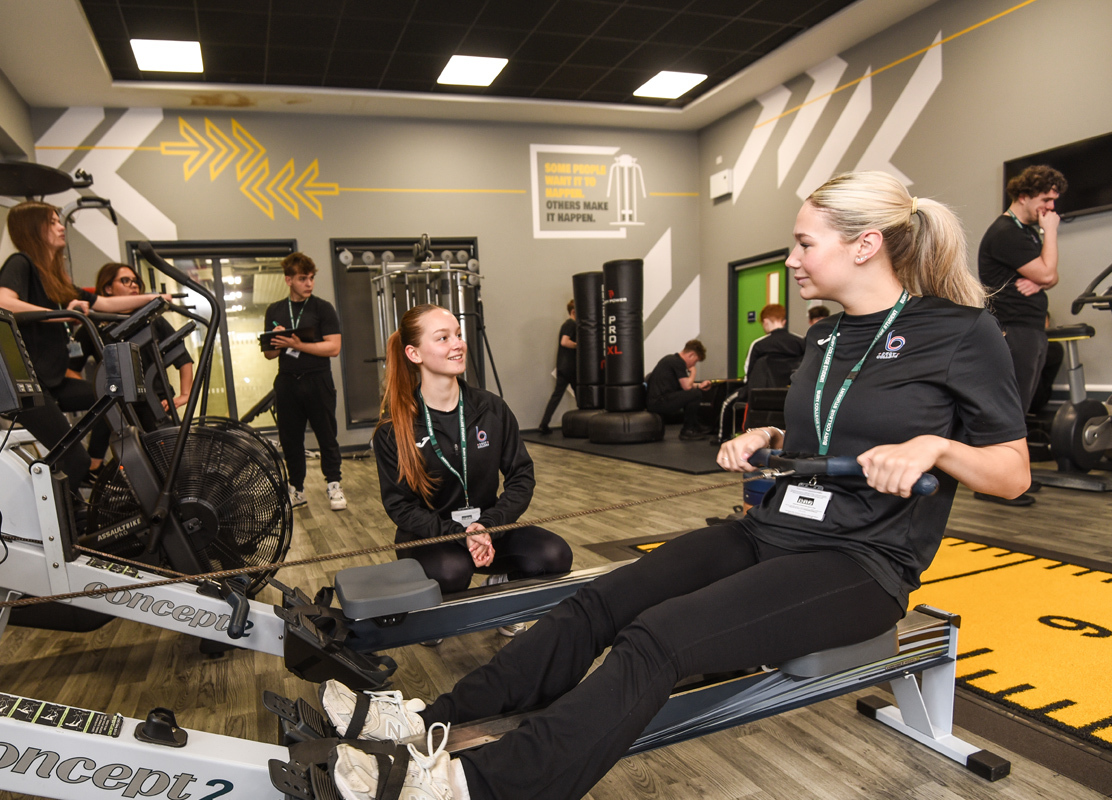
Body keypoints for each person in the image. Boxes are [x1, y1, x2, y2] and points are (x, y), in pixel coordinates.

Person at [317, 171, 1030, 800]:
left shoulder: (962, 333)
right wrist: (771, 439)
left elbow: (1011, 472)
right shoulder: (826, 337)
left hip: (860, 563)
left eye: (805, 244)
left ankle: (475, 784)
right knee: (598, 600)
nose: (792, 258)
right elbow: (825, 439)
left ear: (866, 244)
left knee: (660, 638)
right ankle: (431, 716)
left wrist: (935, 447)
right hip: (770, 531)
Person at [372, 304, 572, 636]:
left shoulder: (491, 408)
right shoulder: (393, 429)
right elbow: (400, 506)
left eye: (459, 335)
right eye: (443, 338)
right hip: (429, 537)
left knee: (554, 554)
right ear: (414, 353)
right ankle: (431, 617)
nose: (458, 344)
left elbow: (521, 475)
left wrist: (488, 527)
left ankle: (504, 591)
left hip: (487, 529)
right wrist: (457, 534)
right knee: (453, 570)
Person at [0, 201, 168, 491]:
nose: (61, 227)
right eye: (52, 222)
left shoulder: (54, 280)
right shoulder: (21, 263)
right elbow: (4, 303)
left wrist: (157, 299)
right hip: (28, 387)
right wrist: (62, 315)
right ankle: (61, 520)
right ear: (33, 229)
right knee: (73, 460)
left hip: (54, 380)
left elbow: (106, 302)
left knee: (112, 395)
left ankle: (96, 465)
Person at [976, 164, 1066, 506]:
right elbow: (1048, 270)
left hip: (1028, 327)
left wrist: (1044, 275)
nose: (1051, 209)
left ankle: (1016, 480)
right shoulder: (1006, 232)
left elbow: (1051, 276)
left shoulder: (1026, 231)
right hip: (1011, 327)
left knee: (1020, 408)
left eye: (1054, 202)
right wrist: (1051, 236)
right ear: (1024, 196)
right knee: (1008, 410)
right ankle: (992, 485)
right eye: (1045, 200)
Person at [73, 262, 195, 474]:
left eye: (136, 281)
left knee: (174, 464)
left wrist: (186, 394)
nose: (134, 285)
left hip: (156, 402)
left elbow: (182, 358)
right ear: (108, 288)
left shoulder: (153, 319)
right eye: (125, 281)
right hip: (118, 405)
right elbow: (70, 368)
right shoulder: (91, 326)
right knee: (115, 464)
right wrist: (94, 396)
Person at [264, 252, 346, 510]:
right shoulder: (275, 310)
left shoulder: (323, 308)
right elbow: (269, 354)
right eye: (302, 278)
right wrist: (278, 340)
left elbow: (333, 348)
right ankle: (296, 489)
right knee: (290, 439)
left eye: (311, 278)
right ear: (289, 280)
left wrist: (299, 344)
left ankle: (334, 484)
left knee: (327, 435)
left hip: (317, 379)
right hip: (287, 382)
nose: (309, 283)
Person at [645, 339, 712, 439]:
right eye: (695, 361)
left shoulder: (672, 360)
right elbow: (687, 387)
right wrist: (693, 372)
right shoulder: (678, 363)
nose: (693, 365)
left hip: (657, 400)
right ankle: (688, 430)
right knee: (695, 394)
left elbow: (683, 384)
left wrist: (700, 385)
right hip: (659, 402)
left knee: (694, 392)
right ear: (691, 355)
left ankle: (694, 425)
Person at [536, 299, 577, 435]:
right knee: (582, 396)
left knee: (557, 396)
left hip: (564, 366)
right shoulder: (570, 324)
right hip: (570, 367)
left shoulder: (568, 324)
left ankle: (544, 424)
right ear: (573, 312)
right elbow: (564, 342)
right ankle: (585, 424)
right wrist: (579, 345)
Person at [741, 303, 804, 388]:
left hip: (764, 397)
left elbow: (749, 376)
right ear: (784, 322)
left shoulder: (758, 345)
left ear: (765, 322)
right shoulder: (801, 342)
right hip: (796, 394)